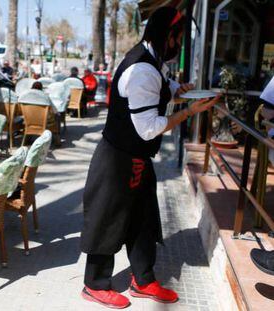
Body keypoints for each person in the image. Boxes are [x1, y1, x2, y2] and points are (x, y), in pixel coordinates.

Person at [80, 7, 221, 309]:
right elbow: (148, 129)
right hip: (118, 160)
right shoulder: (142, 69)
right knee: (109, 220)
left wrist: (182, 92)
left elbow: (163, 88)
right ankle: (94, 284)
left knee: (143, 220)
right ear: (166, 36)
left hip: (138, 159)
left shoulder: (152, 59)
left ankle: (143, 279)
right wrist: (188, 112)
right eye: (178, 37)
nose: (179, 43)